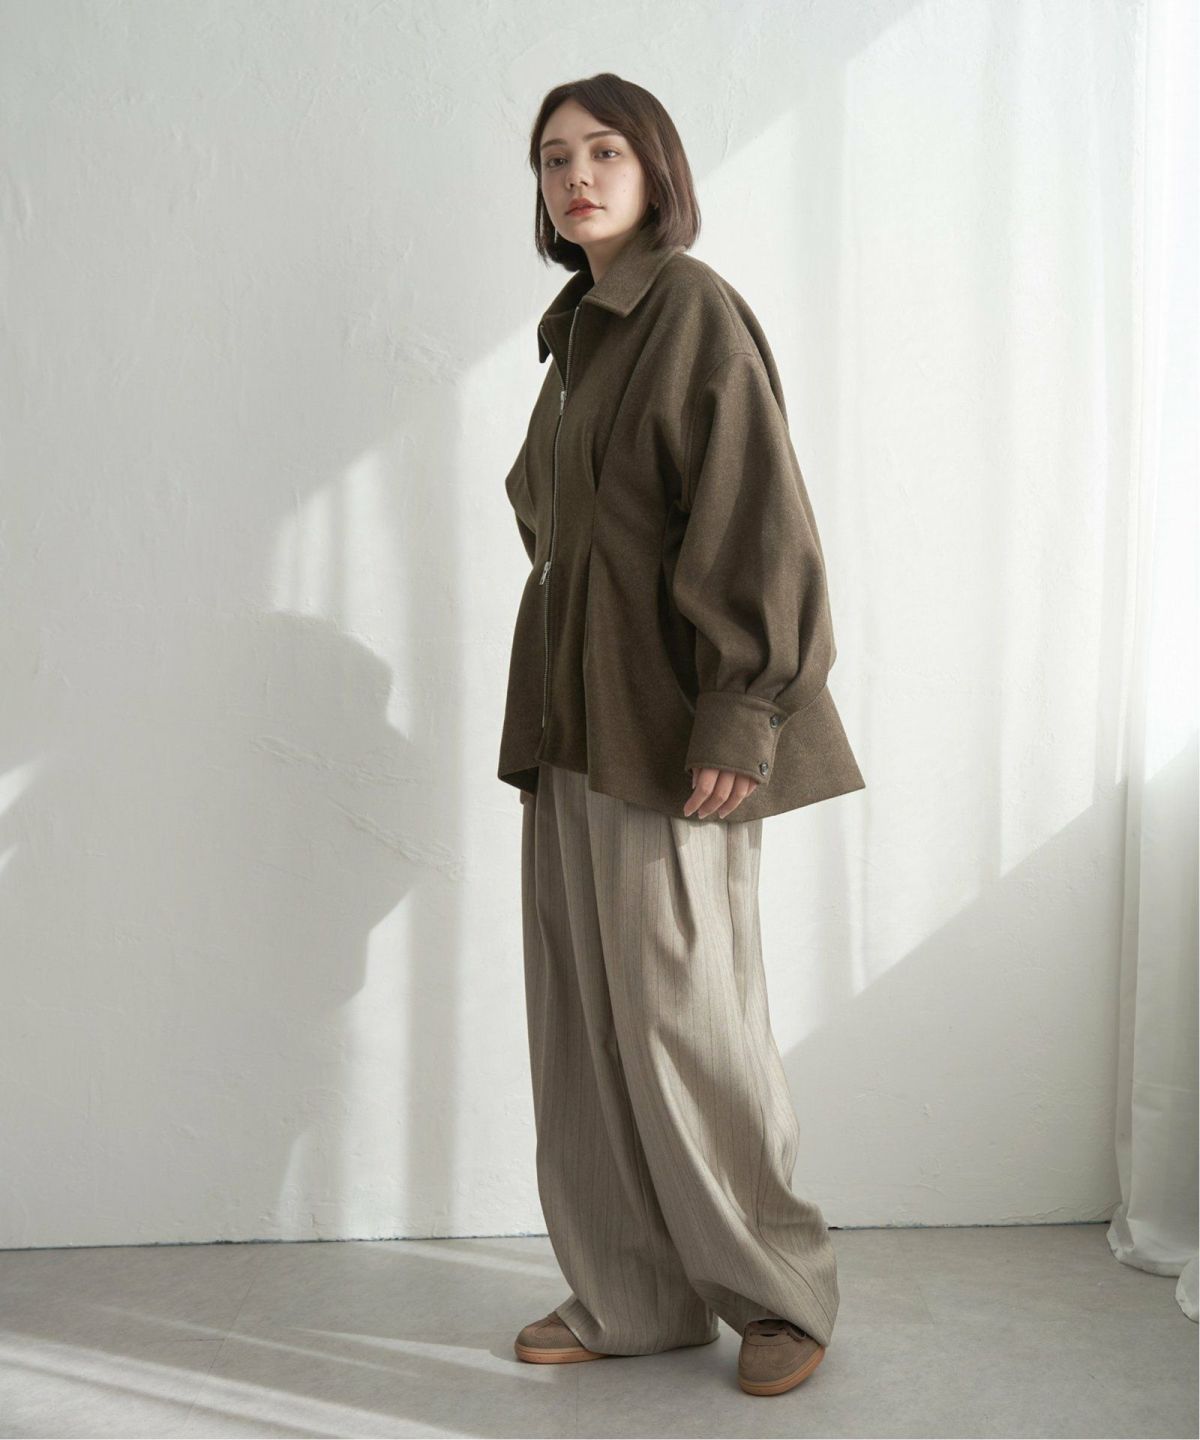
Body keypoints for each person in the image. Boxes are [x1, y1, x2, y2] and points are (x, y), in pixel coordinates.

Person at [499, 72, 865, 1398]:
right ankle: (634, 1294)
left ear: (656, 169)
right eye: (553, 159)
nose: (576, 177)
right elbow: (558, 528)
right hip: (575, 728)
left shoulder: (689, 309)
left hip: (671, 733)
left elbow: (756, 516)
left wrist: (738, 709)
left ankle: (776, 1293)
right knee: (586, 1020)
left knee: (688, 1016)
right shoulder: (577, 337)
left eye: (604, 151)